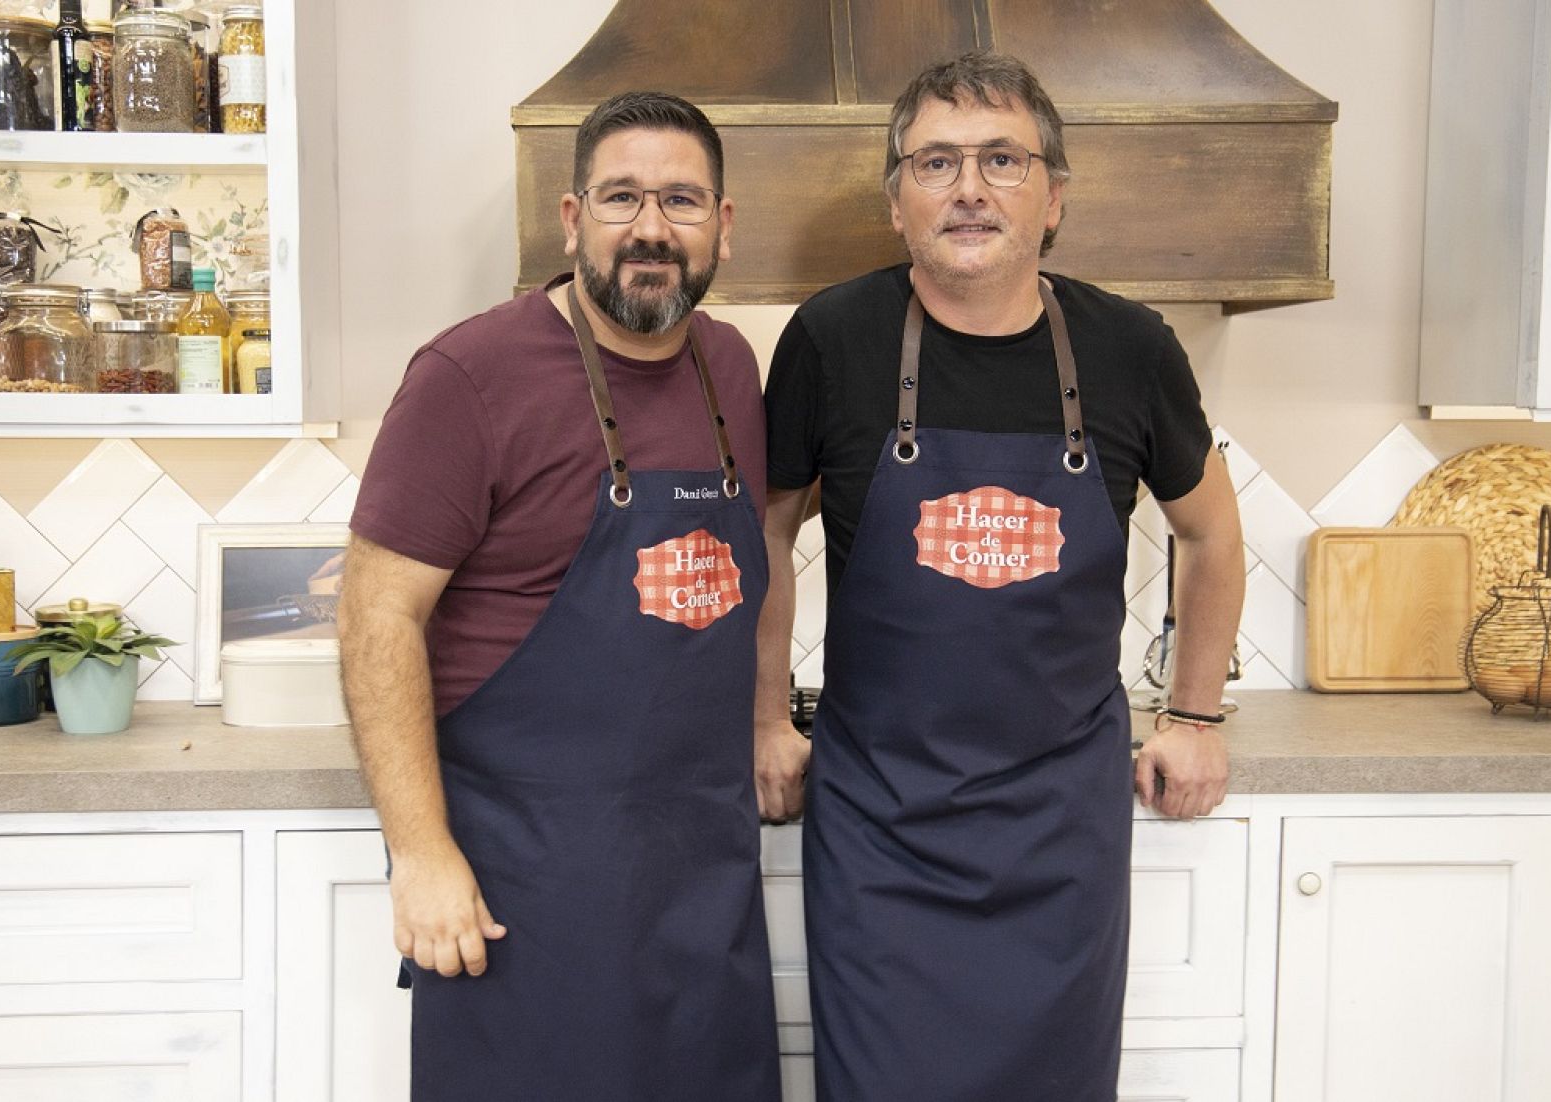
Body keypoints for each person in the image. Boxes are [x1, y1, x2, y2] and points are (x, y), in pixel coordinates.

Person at [753, 51, 1246, 1101]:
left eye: (1001, 160)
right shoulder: (832, 338)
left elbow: (1210, 535)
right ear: (896, 202)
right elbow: (765, 532)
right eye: (934, 161)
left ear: (1053, 197)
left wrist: (1195, 715)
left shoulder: (1129, 347)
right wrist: (763, 719)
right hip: (880, 823)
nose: (967, 187)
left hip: (1057, 826)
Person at [339, 91, 782, 1102]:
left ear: (722, 224)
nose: (651, 228)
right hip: (526, 894)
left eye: (680, 198)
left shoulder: (729, 368)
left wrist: (767, 720)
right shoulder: (470, 374)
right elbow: (376, 615)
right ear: (572, 219)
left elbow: (751, 573)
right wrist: (420, 852)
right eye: (621, 197)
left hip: (702, 888)